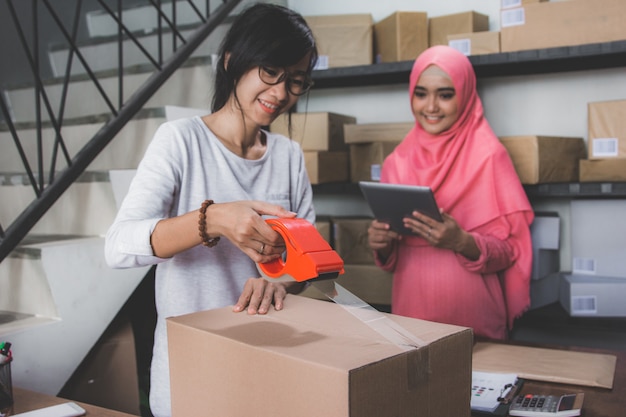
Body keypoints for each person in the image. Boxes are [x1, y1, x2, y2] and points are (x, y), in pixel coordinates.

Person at [104, 4, 318, 416]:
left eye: (296, 80)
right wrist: (213, 218)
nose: (280, 92)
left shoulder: (288, 156)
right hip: (191, 372)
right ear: (233, 61)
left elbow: (308, 259)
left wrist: (282, 282)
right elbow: (118, 246)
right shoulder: (180, 141)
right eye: (271, 71)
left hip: (270, 364)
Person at [367, 45, 534, 341]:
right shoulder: (397, 162)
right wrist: (381, 244)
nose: (430, 107)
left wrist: (462, 242)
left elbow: (511, 253)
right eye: (421, 94)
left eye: (445, 94)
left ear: (466, 95)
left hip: (476, 328)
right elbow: (392, 262)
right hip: (412, 324)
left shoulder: (489, 157)